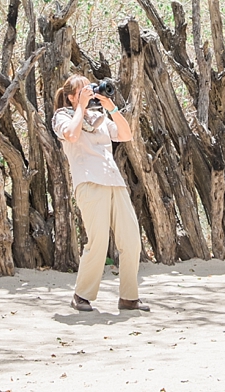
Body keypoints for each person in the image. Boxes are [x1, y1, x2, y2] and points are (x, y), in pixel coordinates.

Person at [52, 74, 150, 312]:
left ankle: (129, 297)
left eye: (90, 89)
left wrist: (111, 107)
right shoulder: (63, 116)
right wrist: (80, 107)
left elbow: (126, 135)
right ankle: (81, 295)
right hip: (89, 181)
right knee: (98, 241)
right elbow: (72, 135)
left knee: (131, 240)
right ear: (71, 97)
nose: (89, 93)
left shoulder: (99, 118)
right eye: (83, 91)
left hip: (114, 181)